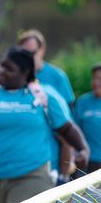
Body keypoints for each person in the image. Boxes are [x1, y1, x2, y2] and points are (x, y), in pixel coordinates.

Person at [0, 47, 89, 203]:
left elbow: (66, 128)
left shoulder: (43, 96)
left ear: (25, 72)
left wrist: (83, 149)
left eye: (9, 68)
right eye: (1, 65)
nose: (1, 71)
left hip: (30, 175)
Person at [17, 29, 76, 182]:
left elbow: (68, 118)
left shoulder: (56, 77)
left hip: (53, 156)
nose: (27, 58)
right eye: (22, 53)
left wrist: (68, 163)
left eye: (31, 52)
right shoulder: (15, 77)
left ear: (42, 50)